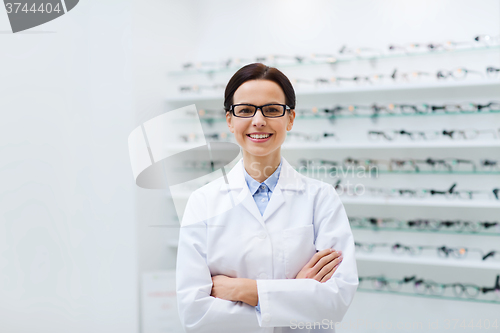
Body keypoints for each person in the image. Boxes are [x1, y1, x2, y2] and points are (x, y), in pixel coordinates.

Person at [176, 63, 358, 333]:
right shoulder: (203, 202)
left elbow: (335, 301)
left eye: (272, 110)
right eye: (245, 110)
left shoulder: (321, 198)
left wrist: (244, 290)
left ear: (290, 118)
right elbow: (193, 312)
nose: (258, 121)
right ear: (230, 120)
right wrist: (295, 293)